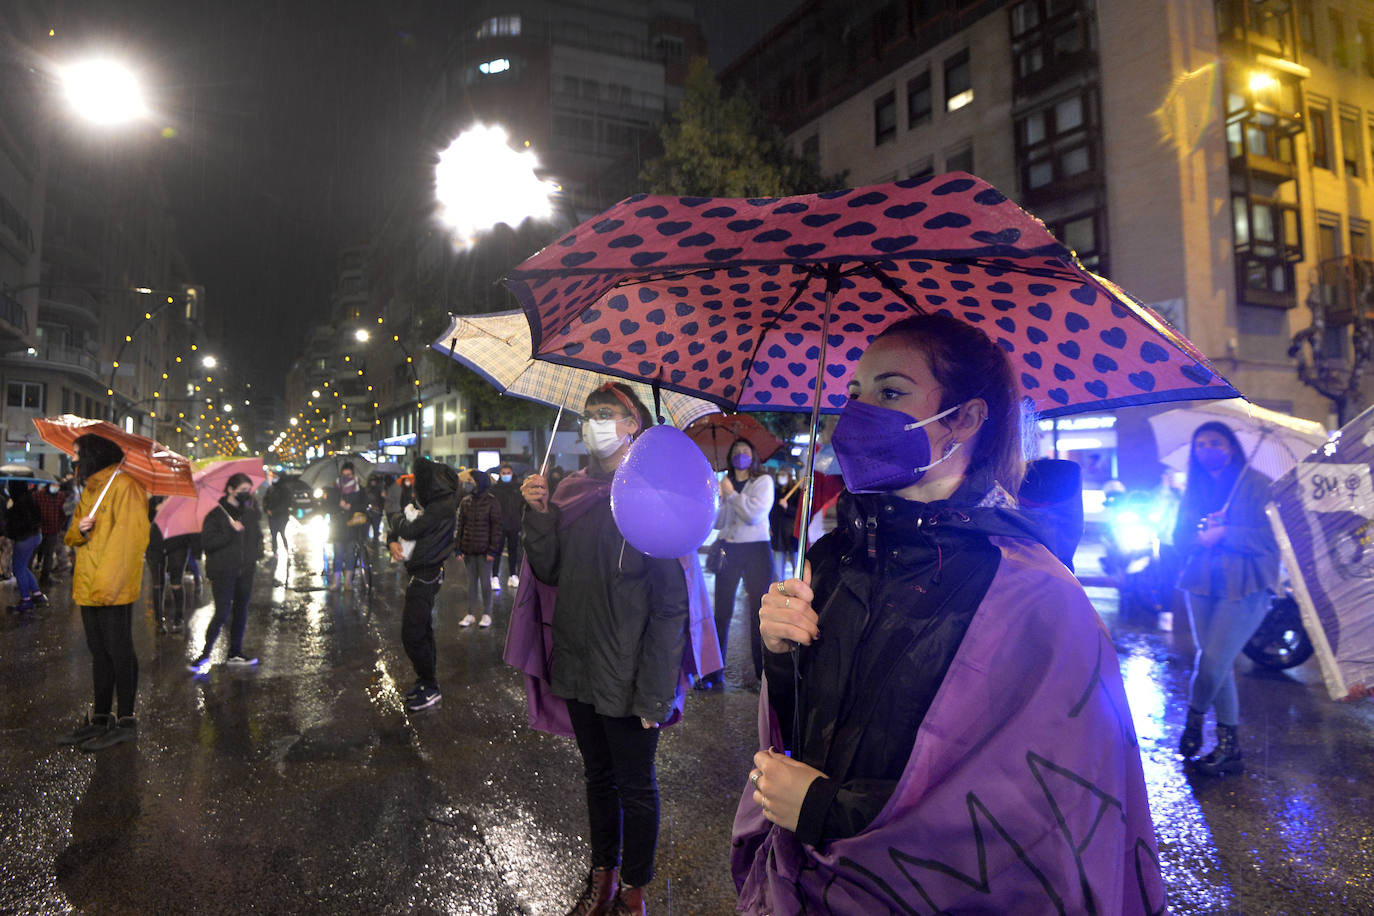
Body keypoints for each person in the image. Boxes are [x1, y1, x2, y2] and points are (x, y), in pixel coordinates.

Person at [733, 315, 1162, 914]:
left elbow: (1034, 815)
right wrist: (779, 654)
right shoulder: (834, 559)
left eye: (890, 392)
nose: (858, 413)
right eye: (854, 394)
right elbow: (814, 718)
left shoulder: (1034, 594)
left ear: (965, 418)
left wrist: (828, 810)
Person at [514, 381, 717, 916]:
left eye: (607, 413)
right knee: (596, 777)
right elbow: (550, 571)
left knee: (636, 786)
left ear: (634, 426)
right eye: (588, 414)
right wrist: (538, 517)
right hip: (578, 664)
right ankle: (602, 873)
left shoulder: (654, 496)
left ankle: (634, 889)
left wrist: (655, 694)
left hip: (631, 677)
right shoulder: (568, 492)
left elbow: (672, 608)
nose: (594, 423)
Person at [1172, 421, 1279, 777]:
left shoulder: (1258, 485)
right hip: (1201, 582)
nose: (1206, 450)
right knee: (1217, 664)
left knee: (1214, 661)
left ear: (1230, 447)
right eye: (1199, 443)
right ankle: (1230, 746)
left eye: (1214, 442)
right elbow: (1178, 537)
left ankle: (1194, 721)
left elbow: (1273, 539)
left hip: (1246, 585)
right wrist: (1199, 534)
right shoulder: (1196, 487)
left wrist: (1227, 533)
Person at [57, 433, 150, 751]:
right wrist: (80, 530)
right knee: (99, 652)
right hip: (88, 583)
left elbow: (131, 542)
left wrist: (108, 586)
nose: (75, 460)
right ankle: (100, 718)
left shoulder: (127, 487)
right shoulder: (92, 489)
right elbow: (71, 535)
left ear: (95, 455)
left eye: (79, 453)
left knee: (119, 651)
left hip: (111, 586)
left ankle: (126, 720)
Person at [698, 438, 774, 690]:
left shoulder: (763, 482)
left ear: (753, 456)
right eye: (737, 451)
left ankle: (764, 675)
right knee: (721, 612)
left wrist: (731, 494)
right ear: (730, 457)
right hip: (728, 550)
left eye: (745, 451)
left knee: (758, 613)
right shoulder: (725, 483)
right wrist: (718, 497)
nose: (741, 455)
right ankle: (712, 673)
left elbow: (754, 515)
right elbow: (718, 523)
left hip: (757, 551)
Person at [388, 458, 459, 711]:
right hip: (422, 573)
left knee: (413, 633)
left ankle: (430, 686)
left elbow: (409, 529)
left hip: (426, 574)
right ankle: (426, 681)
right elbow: (404, 530)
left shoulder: (441, 506)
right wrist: (391, 538)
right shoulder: (436, 504)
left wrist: (395, 520)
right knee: (422, 631)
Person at [189, 473, 264, 672]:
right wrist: (231, 531)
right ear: (230, 490)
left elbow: (257, 536)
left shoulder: (249, 513)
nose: (246, 494)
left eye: (249, 490)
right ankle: (204, 654)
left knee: (241, 611)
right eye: (242, 491)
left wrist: (257, 553)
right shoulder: (216, 515)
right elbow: (208, 544)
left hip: (246, 570)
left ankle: (235, 653)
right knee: (222, 612)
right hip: (223, 570)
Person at [455, 469, 501, 628]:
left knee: (486, 584)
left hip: (484, 551)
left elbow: (496, 528)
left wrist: (492, 550)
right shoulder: (465, 501)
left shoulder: (491, 502)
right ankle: (470, 613)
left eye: (472, 480)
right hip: (469, 550)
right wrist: (458, 548)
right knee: (471, 584)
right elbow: (460, 525)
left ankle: (487, 614)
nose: (470, 483)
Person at [7, 480, 48, 612]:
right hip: (36, 535)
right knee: (23, 566)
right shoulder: (30, 498)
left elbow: (19, 522)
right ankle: (37, 595)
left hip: (25, 538)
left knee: (18, 568)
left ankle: (26, 600)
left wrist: (10, 510)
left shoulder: (20, 502)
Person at [325, 462, 368, 589]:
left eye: (349, 475)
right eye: (344, 475)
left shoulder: (359, 488)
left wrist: (351, 507)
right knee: (338, 554)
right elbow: (328, 507)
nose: (346, 477)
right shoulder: (334, 488)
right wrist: (339, 505)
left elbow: (363, 505)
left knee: (350, 554)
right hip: (338, 527)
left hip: (352, 527)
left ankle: (348, 580)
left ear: (353, 474)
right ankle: (336, 581)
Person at [490, 462, 525, 589]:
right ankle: (495, 576)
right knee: (497, 551)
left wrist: (521, 522)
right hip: (499, 525)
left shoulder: (518, 489)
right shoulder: (494, 489)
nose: (506, 475)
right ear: (500, 474)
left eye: (508, 473)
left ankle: (513, 575)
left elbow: (522, 507)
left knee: (513, 551)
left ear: (512, 473)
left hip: (514, 524)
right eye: (503, 473)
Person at [36, 480, 71, 585]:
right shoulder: (38, 495)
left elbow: (64, 512)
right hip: (39, 530)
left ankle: (45, 577)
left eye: (57, 485)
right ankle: (27, 579)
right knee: (34, 553)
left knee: (49, 555)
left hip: (53, 530)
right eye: (53, 484)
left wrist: (60, 525)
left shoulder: (61, 496)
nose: (55, 487)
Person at [768, 467, 799, 581]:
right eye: (779, 474)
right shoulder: (775, 492)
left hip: (792, 533)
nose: (781, 477)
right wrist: (769, 526)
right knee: (777, 569)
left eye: (784, 474)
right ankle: (779, 590)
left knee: (796, 566)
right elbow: (770, 512)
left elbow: (799, 513)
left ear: (790, 477)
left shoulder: (798, 493)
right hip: (777, 533)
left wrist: (788, 508)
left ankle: (797, 589)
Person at [262, 471, 293, 557]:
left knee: (282, 533)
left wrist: (274, 511)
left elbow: (285, 503)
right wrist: (266, 509)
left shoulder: (284, 489)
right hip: (272, 517)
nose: (273, 478)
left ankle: (287, 549)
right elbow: (265, 500)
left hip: (282, 516)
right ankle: (274, 551)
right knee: (274, 534)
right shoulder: (270, 488)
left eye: (275, 476)